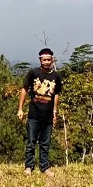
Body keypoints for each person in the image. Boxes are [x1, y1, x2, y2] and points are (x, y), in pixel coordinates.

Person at [17, 48, 62, 176]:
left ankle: (45, 167)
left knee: (45, 143)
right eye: (44, 60)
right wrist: (20, 108)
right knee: (31, 142)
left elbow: (56, 94)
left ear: (52, 60)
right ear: (40, 60)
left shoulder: (55, 76)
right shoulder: (33, 73)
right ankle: (29, 166)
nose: (46, 62)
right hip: (34, 114)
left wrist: (55, 111)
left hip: (47, 115)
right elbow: (24, 90)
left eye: (49, 60)